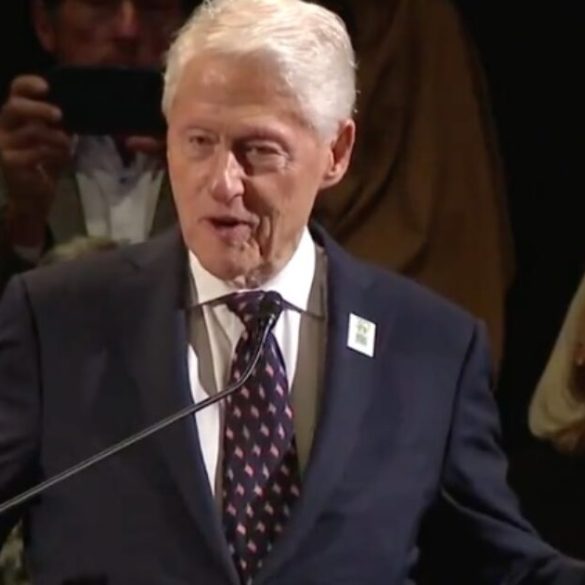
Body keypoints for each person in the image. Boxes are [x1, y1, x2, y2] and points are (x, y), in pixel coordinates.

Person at [0, 1, 583, 583]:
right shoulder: (56, 321)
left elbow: (502, 566)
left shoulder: (431, 350)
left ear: (336, 152)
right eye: (198, 141)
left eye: (258, 150)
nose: (222, 183)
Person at [0, 0, 188, 292]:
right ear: (45, 24)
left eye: (154, 5)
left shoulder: (226, 155)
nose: (128, 30)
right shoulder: (15, 154)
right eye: (101, 4)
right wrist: (24, 220)